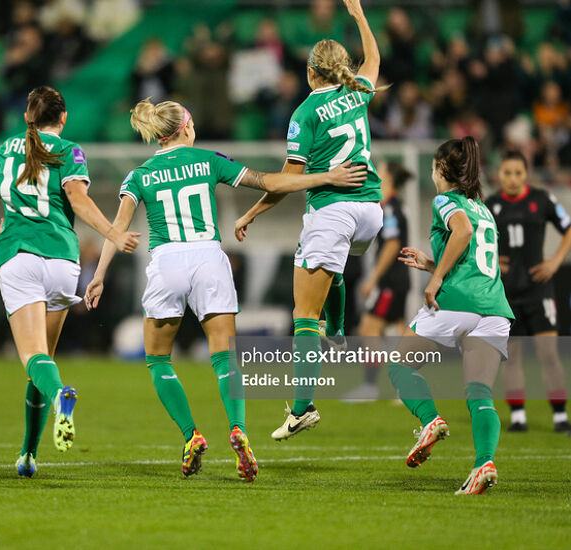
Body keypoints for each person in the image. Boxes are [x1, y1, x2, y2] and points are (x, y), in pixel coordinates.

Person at [84, 98, 366, 480]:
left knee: (158, 360)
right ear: (185, 128)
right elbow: (270, 182)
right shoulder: (208, 160)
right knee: (224, 357)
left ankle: (191, 435)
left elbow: (116, 228)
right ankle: (238, 429)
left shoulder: (138, 175)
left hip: (166, 261)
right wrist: (325, 178)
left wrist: (98, 275)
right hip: (208, 260)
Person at [234, 0, 384, 440]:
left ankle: (302, 408)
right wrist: (358, 15)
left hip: (333, 210)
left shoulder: (303, 114)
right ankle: (338, 329)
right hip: (371, 212)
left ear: (310, 72)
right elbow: (374, 59)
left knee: (303, 314)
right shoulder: (357, 89)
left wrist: (251, 211)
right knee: (333, 272)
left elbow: (287, 183)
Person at [0, 86, 139, 478]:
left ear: (27, 117)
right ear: (62, 118)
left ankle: (62, 394)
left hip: (19, 259)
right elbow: (78, 202)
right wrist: (113, 234)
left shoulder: (3, 152)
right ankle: (29, 455)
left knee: (34, 359)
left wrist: (12, 233)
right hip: (64, 261)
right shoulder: (71, 150)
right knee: (43, 357)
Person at [393, 136, 513, 495]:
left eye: (432, 167)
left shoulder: (447, 201)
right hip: (494, 307)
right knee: (480, 393)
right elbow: (472, 255)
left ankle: (431, 420)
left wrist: (437, 277)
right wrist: (431, 263)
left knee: (399, 366)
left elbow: (462, 231)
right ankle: (484, 464)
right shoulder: (482, 206)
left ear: (441, 168)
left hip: (456, 303)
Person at [485, 150, 571, 432]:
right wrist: (491, 259)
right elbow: (473, 241)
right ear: (499, 174)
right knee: (512, 356)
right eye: (507, 173)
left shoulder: (542, 199)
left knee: (549, 353)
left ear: (526, 174)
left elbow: (568, 228)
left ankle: (560, 415)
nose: (512, 179)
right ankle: (518, 416)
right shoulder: (490, 205)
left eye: (517, 173)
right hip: (506, 293)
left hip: (538, 288)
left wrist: (555, 261)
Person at [345, 161, 413, 401]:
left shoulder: (391, 209)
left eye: (381, 171)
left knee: (369, 328)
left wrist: (373, 278)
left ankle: (371, 386)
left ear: (388, 179)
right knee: (399, 330)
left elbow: (393, 244)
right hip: (397, 280)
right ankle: (405, 384)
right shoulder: (390, 207)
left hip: (390, 281)